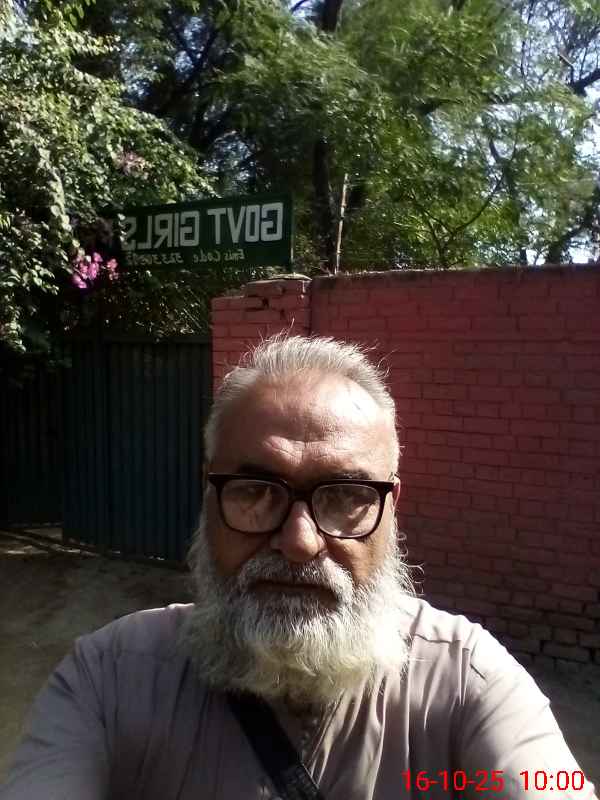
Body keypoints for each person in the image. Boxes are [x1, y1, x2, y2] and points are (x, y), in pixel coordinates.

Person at [0, 334, 596, 800]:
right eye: (256, 491)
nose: (299, 541)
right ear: (209, 497)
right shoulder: (109, 679)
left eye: (345, 495)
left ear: (391, 509)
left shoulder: (468, 682)